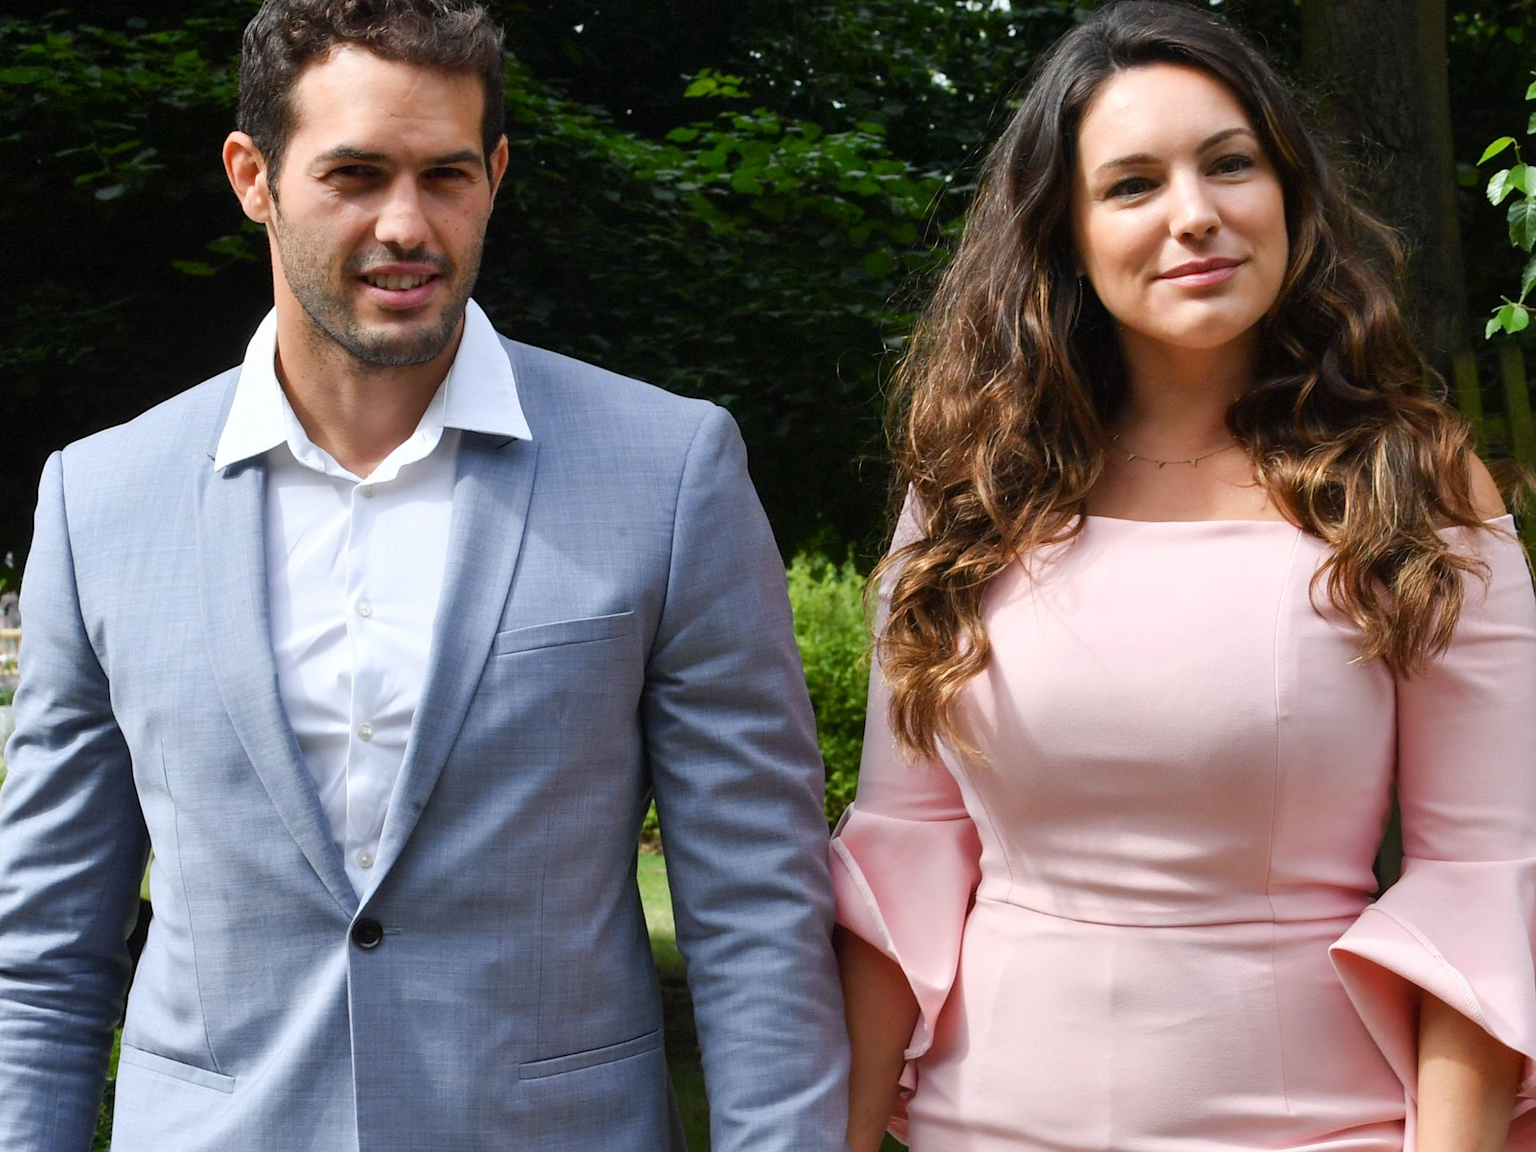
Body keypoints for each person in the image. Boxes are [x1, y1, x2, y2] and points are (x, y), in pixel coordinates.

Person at [0, 1, 849, 1149]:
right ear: (253, 176)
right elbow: (45, 952)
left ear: (494, 174)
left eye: (446, 175)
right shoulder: (99, 500)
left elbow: (758, 918)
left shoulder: (670, 471)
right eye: (354, 175)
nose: (408, 223)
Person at [832, 3, 1535, 1150]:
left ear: (1292, 193)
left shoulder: (1419, 489)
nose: (1195, 216)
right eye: (1132, 185)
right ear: (1065, 232)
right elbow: (899, 855)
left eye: (1230, 165)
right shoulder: (972, 495)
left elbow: (1481, 884)